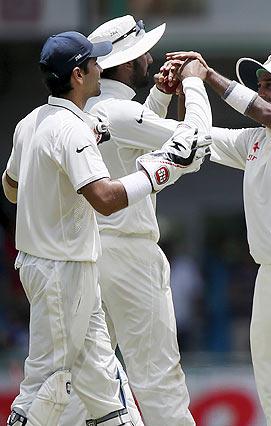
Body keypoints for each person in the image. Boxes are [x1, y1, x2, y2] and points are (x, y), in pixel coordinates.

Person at [2, 31, 209, 426]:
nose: (101, 65)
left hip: (77, 260)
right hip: (76, 265)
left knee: (98, 387)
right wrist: (157, 170)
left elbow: (11, 188)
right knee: (52, 384)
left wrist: (46, 193)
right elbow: (108, 197)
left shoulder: (32, 122)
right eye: (93, 62)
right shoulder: (75, 127)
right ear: (79, 74)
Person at [163, 50, 271, 425]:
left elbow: (267, 114)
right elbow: (195, 137)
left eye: (270, 85)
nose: (260, 92)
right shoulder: (254, 140)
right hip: (269, 276)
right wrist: (187, 90)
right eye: (258, 85)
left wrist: (208, 75)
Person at [58, 15, 199, 425]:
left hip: (85, 255)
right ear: (129, 59)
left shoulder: (84, 110)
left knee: (86, 380)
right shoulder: (119, 110)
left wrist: (158, 96)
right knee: (158, 377)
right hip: (130, 256)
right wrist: (192, 84)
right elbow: (190, 146)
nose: (151, 58)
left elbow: (129, 143)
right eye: (144, 54)